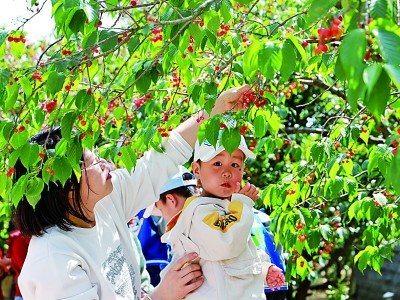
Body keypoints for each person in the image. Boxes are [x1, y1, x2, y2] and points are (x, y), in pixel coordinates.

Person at [11, 84, 253, 300]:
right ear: (67, 187)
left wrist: (217, 108)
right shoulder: (54, 260)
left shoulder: (104, 204)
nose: (106, 163)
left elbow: (164, 155)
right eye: (94, 163)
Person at [159, 136, 285, 299]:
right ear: (196, 170)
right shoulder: (199, 212)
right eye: (217, 163)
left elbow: (242, 251)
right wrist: (244, 204)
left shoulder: (228, 209)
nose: (227, 172)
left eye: (235, 165)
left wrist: (264, 268)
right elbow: (227, 243)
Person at [5, 224, 30, 300]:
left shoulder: (19, 239)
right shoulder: (19, 240)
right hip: (25, 293)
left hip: (24, 292)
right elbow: (24, 269)